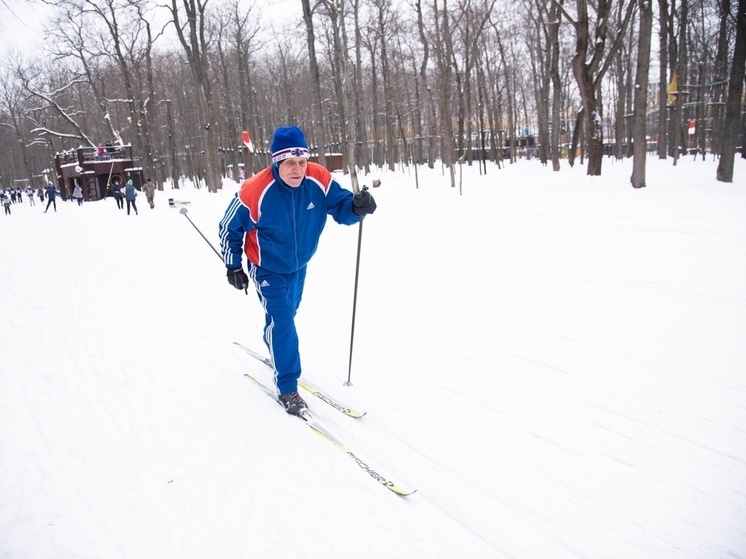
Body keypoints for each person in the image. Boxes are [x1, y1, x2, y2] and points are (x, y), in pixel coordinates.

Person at [218, 125, 377, 416]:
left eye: (302, 161)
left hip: (299, 265)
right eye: (290, 162)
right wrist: (233, 265)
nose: (298, 169)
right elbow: (229, 227)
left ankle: (274, 341)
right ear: (277, 162)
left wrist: (356, 207)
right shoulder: (255, 190)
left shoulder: (318, 178)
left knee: (286, 316)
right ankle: (288, 387)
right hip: (266, 267)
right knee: (284, 323)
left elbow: (341, 207)